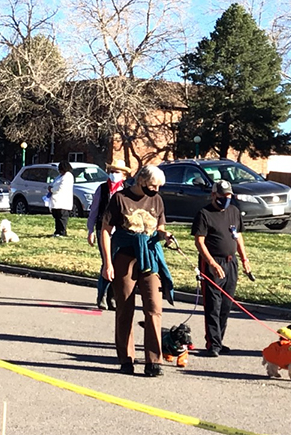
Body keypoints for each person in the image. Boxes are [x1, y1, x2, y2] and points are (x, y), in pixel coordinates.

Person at [100, 164, 174, 377]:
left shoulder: (157, 200)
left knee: (153, 308)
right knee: (125, 309)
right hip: (125, 256)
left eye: (159, 186)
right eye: (153, 185)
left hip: (150, 257)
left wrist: (165, 236)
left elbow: (159, 228)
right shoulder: (120, 199)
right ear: (141, 180)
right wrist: (108, 263)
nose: (156, 190)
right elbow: (106, 230)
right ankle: (126, 358)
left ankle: (153, 360)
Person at [192, 180, 251, 357]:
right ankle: (213, 343)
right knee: (213, 304)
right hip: (212, 263)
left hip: (231, 262)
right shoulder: (204, 214)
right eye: (222, 196)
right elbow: (199, 241)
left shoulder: (233, 211)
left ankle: (219, 340)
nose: (225, 199)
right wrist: (212, 263)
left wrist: (244, 259)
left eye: (228, 196)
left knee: (226, 304)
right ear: (213, 195)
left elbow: (238, 235)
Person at [87, 158, 132, 310]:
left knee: (117, 265)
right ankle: (102, 296)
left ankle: (113, 296)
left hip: (120, 232)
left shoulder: (126, 191)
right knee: (107, 262)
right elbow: (93, 211)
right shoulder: (102, 189)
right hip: (103, 229)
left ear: (124, 175)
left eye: (117, 172)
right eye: (112, 172)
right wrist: (90, 230)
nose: (113, 175)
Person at [49, 160, 74, 237]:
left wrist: (52, 190)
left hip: (63, 200)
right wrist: (50, 187)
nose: (60, 171)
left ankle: (62, 232)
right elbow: (54, 183)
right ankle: (57, 231)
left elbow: (61, 187)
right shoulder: (59, 176)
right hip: (56, 200)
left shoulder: (68, 176)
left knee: (62, 217)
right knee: (57, 216)